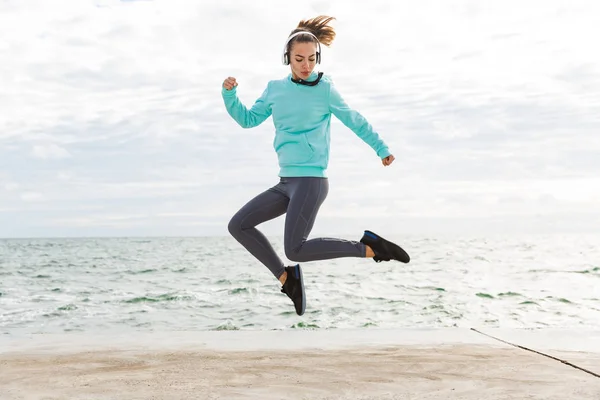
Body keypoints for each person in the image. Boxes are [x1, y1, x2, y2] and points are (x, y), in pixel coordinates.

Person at [221, 15, 409, 316]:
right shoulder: (275, 89)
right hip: (286, 182)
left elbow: (354, 120)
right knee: (238, 225)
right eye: (299, 59)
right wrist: (229, 95)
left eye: (311, 59)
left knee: (295, 248)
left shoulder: (325, 90)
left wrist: (381, 148)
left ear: (317, 57)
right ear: (288, 58)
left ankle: (371, 248)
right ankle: (287, 279)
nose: (306, 65)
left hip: (311, 180)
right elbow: (248, 119)